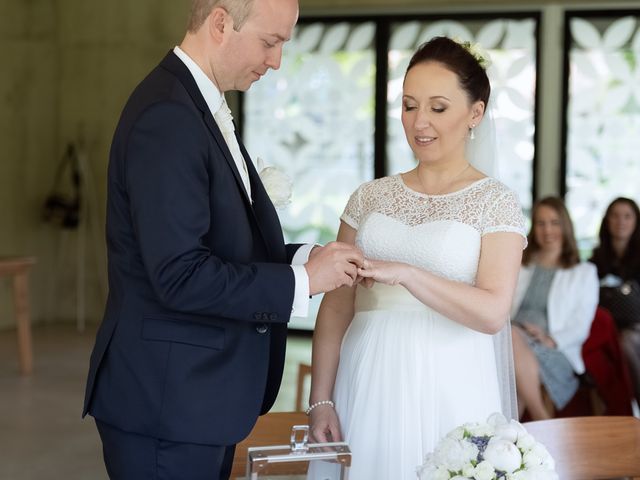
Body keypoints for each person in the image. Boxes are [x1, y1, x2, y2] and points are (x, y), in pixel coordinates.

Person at [82, 1, 364, 479]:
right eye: (270, 42)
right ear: (220, 23)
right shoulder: (168, 116)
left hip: (193, 404)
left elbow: (222, 243)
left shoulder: (198, 102)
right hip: (166, 406)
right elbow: (179, 273)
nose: (276, 61)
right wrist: (300, 284)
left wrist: (306, 258)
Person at [306, 36, 527, 480]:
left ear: (475, 114)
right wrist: (321, 399)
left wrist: (407, 273)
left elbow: (491, 312)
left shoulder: (496, 203)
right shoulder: (369, 197)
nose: (419, 122)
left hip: (451, 379)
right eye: (409, 105)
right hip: (368, 376)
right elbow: (336, 305)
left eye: (438, 108)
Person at [510, 197, 599, 420]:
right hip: (511, 336)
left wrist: (550, 339)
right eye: (541, 223)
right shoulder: (519, 262)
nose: (547, 229)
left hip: (554, 348)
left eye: (554, 222)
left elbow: (581, 322)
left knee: (511, 352)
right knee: (510, 341)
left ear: (565, 226)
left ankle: (526, 424)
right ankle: (524, 434)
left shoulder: (583, 272)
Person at [590, 197, 640, 407]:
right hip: (605, 328)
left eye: (627, 216)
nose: (621, 221)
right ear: (607, 220)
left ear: (636, 221)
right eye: (615, 216)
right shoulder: (595, 261)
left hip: (634, 327)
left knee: (627, 341)